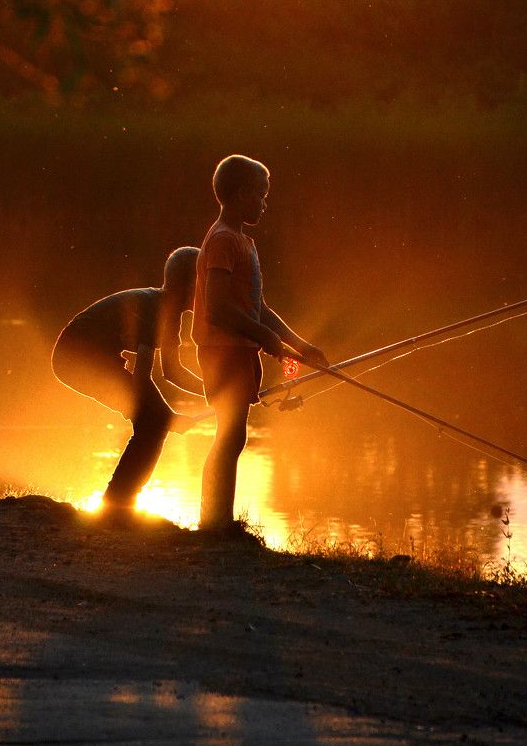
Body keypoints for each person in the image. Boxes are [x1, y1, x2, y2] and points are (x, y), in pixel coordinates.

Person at [192, 154, 329, 532]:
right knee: (230, 435)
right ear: (240, 194)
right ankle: (215, 521)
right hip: (222, 354)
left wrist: (300, 346)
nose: (265, 204)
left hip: (239, 351)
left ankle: (217, 520)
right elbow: (217, 308)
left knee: (234, 435)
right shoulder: (222, 240)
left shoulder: (244, 242)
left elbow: (259, 309)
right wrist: (264, 337)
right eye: (261, 195)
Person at [51, 247, 204, 514]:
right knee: (153, 422)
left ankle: (120, 502)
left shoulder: (171, 315)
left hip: (92, 357)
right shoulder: (156, 310)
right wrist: (169, 416)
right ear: (189, 286)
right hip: (74, 357)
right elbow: (142, 380)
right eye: (204, 285)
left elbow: (172, 371)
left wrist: (216, 390)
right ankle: (118, 504)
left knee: (153, 421)